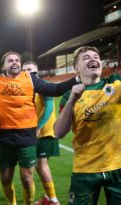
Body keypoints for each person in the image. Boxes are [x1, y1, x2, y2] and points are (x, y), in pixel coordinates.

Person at [0, 44, 79, 205]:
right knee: (5, 178)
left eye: (17, 60)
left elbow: (54, 89)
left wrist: (76, 78)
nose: (15, 62)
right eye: (10, 60)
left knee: (27, 178)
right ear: (3, 66)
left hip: (27, 136)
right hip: (5, 136)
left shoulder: (31, 79)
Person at [54, 46, 121, 205]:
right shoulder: (68, 97)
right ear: (76, 68)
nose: (93, 59)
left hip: (118, 167)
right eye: (86, 58)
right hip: (85, 171)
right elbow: (59, 132)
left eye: (96, 57)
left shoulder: (115, 82)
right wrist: (72, 100)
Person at [22, 61, 60, 205]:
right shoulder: (30, 88)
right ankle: (47, 197)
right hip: (39, 133)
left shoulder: (44, 86)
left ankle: (54, 200)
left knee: (41, 166)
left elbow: (49, 107)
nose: (28, 73)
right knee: (41, 166)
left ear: (37, 71)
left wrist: (38, 126)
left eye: (30, 70)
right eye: (24, 70)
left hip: (45, 133)